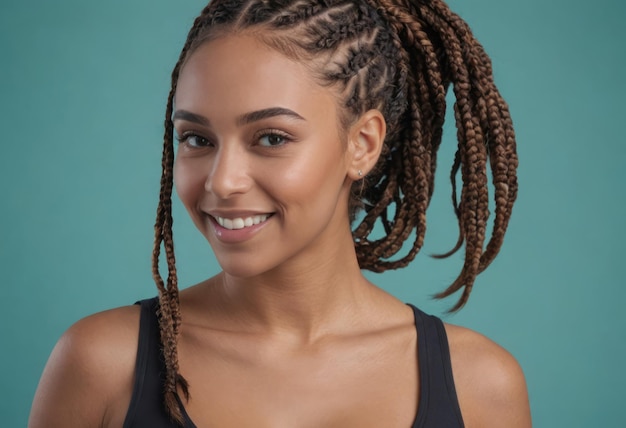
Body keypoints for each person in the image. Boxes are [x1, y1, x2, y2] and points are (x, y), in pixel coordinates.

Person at [29, 0, 531, 426]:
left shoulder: (479, 385)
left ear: (362, 144)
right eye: (197, 139)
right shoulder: (100, 363)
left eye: (271, 138)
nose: (222, 181)